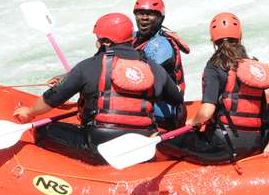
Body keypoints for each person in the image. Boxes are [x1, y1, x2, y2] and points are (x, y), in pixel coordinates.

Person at [14, 13, 183, 165]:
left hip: (98, 145)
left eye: (98, 38)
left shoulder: (88, 66)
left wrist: (29, 112)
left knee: (42, 131)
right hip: (143, 143)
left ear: (106, 42)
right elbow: (177, 100)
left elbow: (53, 98)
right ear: (130, 38)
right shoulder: (153, 68)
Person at [158, 12, 269, 164]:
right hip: (257, 144)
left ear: (212, 39)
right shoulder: (255, 66)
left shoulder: (214, 67)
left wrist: (192, 122)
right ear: (240, 36)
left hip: (225, 146)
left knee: (162, 142)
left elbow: (207, 111)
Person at [131, 0, 190, 129]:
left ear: (160, 18)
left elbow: (144, 79)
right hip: (145, 110)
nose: (144, 18)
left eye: (150, 14)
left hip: (163, 116)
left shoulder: (161, 45)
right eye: (140, 13)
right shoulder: (133, 38)